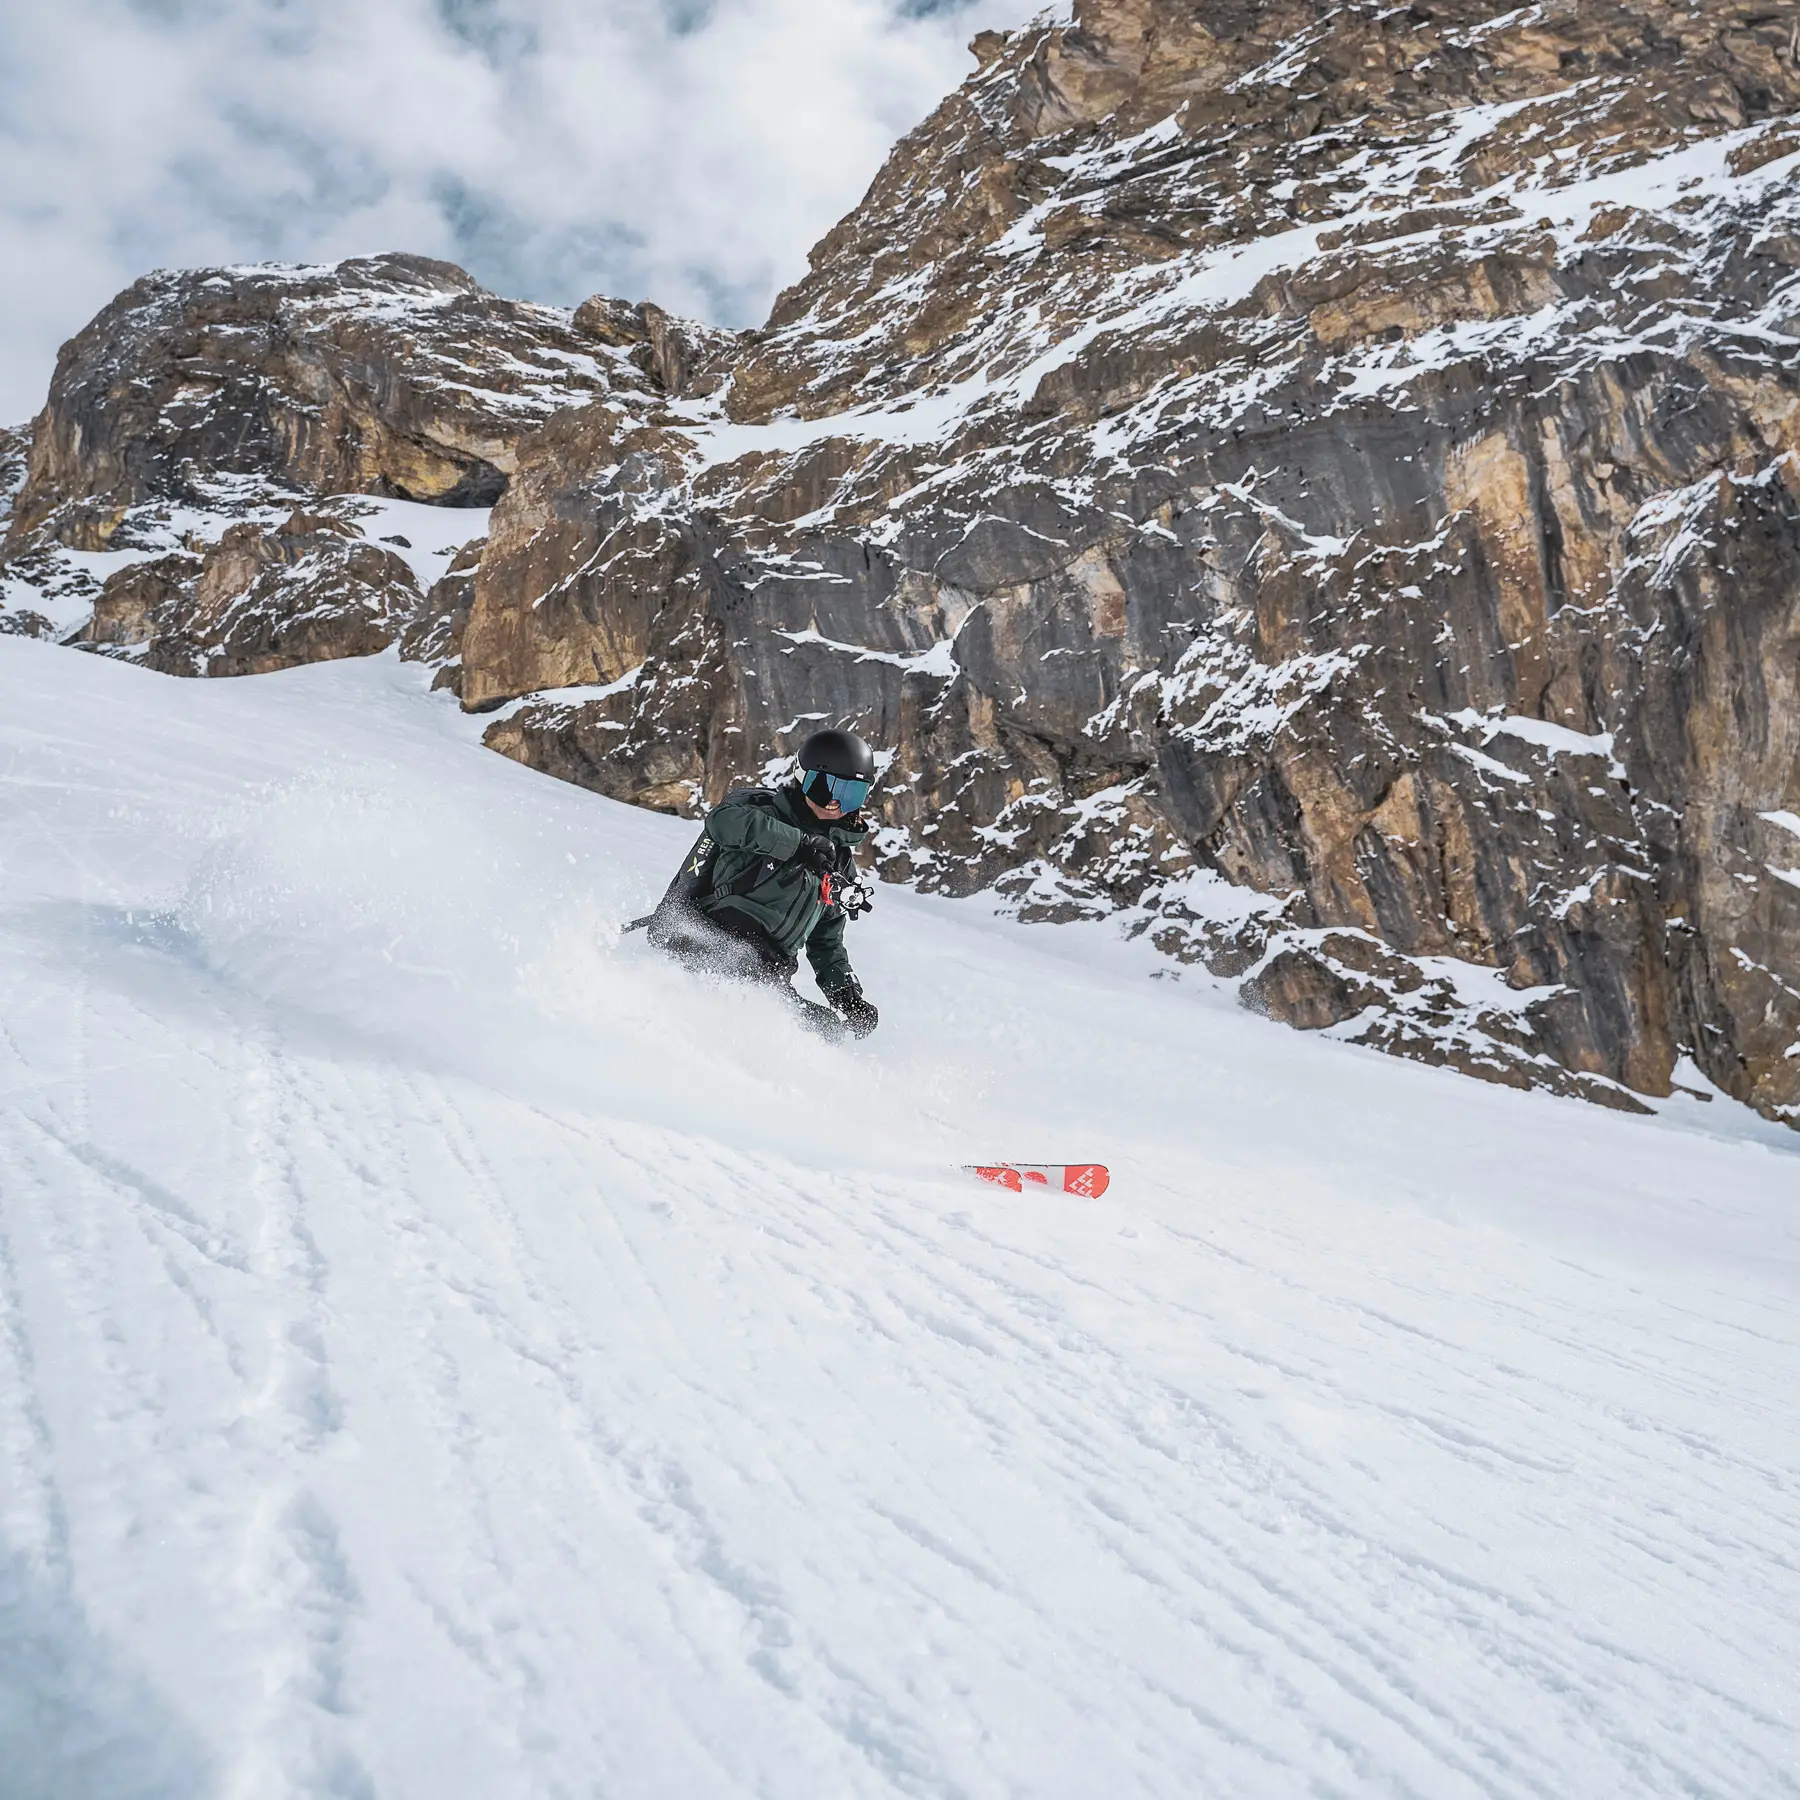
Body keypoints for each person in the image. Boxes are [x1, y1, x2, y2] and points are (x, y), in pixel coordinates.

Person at [644, 728, 881, 1037]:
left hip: (767, 975)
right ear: (802, 778)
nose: (835, 803)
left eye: (851, 794)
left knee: (826, 1030)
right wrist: (797, 844)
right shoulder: (760, 810)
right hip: (708, 940)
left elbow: (826, 942)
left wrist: (848, 997)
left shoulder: (838, 863)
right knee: (750, 1007)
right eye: (826, 789)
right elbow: (723, 823)